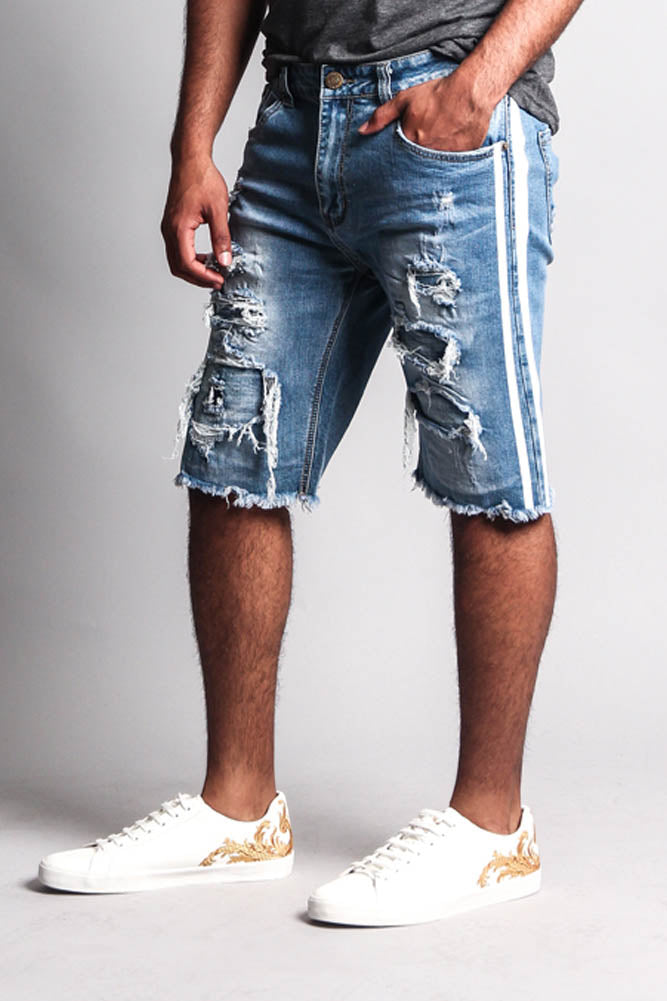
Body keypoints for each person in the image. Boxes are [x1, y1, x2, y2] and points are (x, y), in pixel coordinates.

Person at [38, 0, 584, 926]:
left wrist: (475, 89)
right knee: (234, 452)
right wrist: (192, 144)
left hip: (447, 113)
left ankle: (491, 827)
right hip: (295, 116)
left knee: (487, 470)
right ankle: (237, 808)